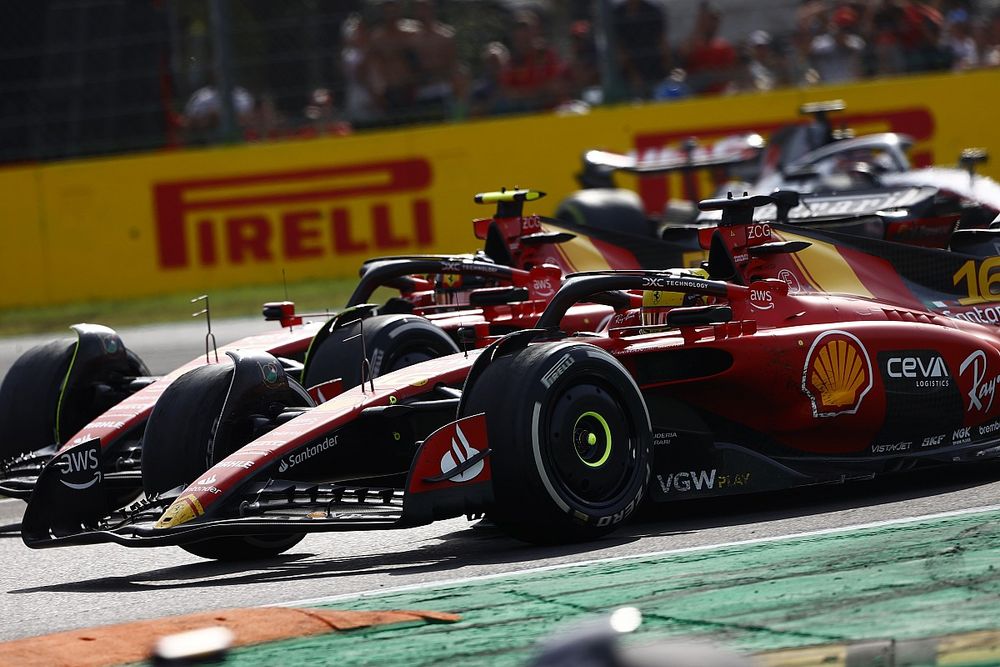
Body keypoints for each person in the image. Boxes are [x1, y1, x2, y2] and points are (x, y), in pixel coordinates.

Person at [499, 10, 563, 113]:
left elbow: (554, 87)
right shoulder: (512, 62)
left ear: (536, 31)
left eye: (527, 28)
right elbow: (507, 92)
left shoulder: (547, 55)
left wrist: (526, 92)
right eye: (519, 28)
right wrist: (535, 91)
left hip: (549, 111)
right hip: (522, 112)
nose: (523, 33)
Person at [611, 0, 670, 99]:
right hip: (629, 68)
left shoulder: (653, 10)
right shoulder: (616, 14)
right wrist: (632, 74)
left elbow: (662, 42)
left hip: (654, 64)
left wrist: (668, 68)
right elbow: (618, 48)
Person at [678, 2, 737, 95]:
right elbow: (684, 57)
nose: (712, 24)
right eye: (709, 19)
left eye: (715, 20)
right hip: (694, 94)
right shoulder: (693, 44)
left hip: (717, 94)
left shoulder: (725, 47)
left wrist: (710, 74)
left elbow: (729, 72)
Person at [809, 5, 866, 84]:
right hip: (828, 89)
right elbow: (806, 53)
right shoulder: (820, 42)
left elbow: (845, 45)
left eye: (847, 28)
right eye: (842, 27)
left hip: (851, 87)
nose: (844, 31)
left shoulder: (856, 41)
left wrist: (836, 34)